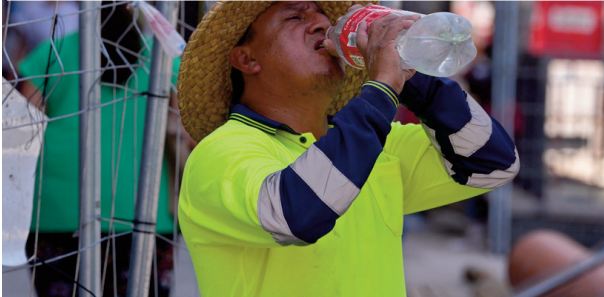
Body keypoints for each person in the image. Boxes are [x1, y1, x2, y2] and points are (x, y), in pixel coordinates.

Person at [177, 2, 519, 296]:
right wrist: (382, 88)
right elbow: (295, 215)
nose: (321, 23)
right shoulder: (221, 152)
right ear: (247, 58)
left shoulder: (372, 141)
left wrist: (415, 78)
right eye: (295, 17)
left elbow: (493, 164)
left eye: (323, 15)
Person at [18, 2, 180, 296]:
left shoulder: (53, 52)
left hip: (59, 209)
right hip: (144, 208)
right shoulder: (162, 55)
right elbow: (190, 129)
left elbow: (23, 132)